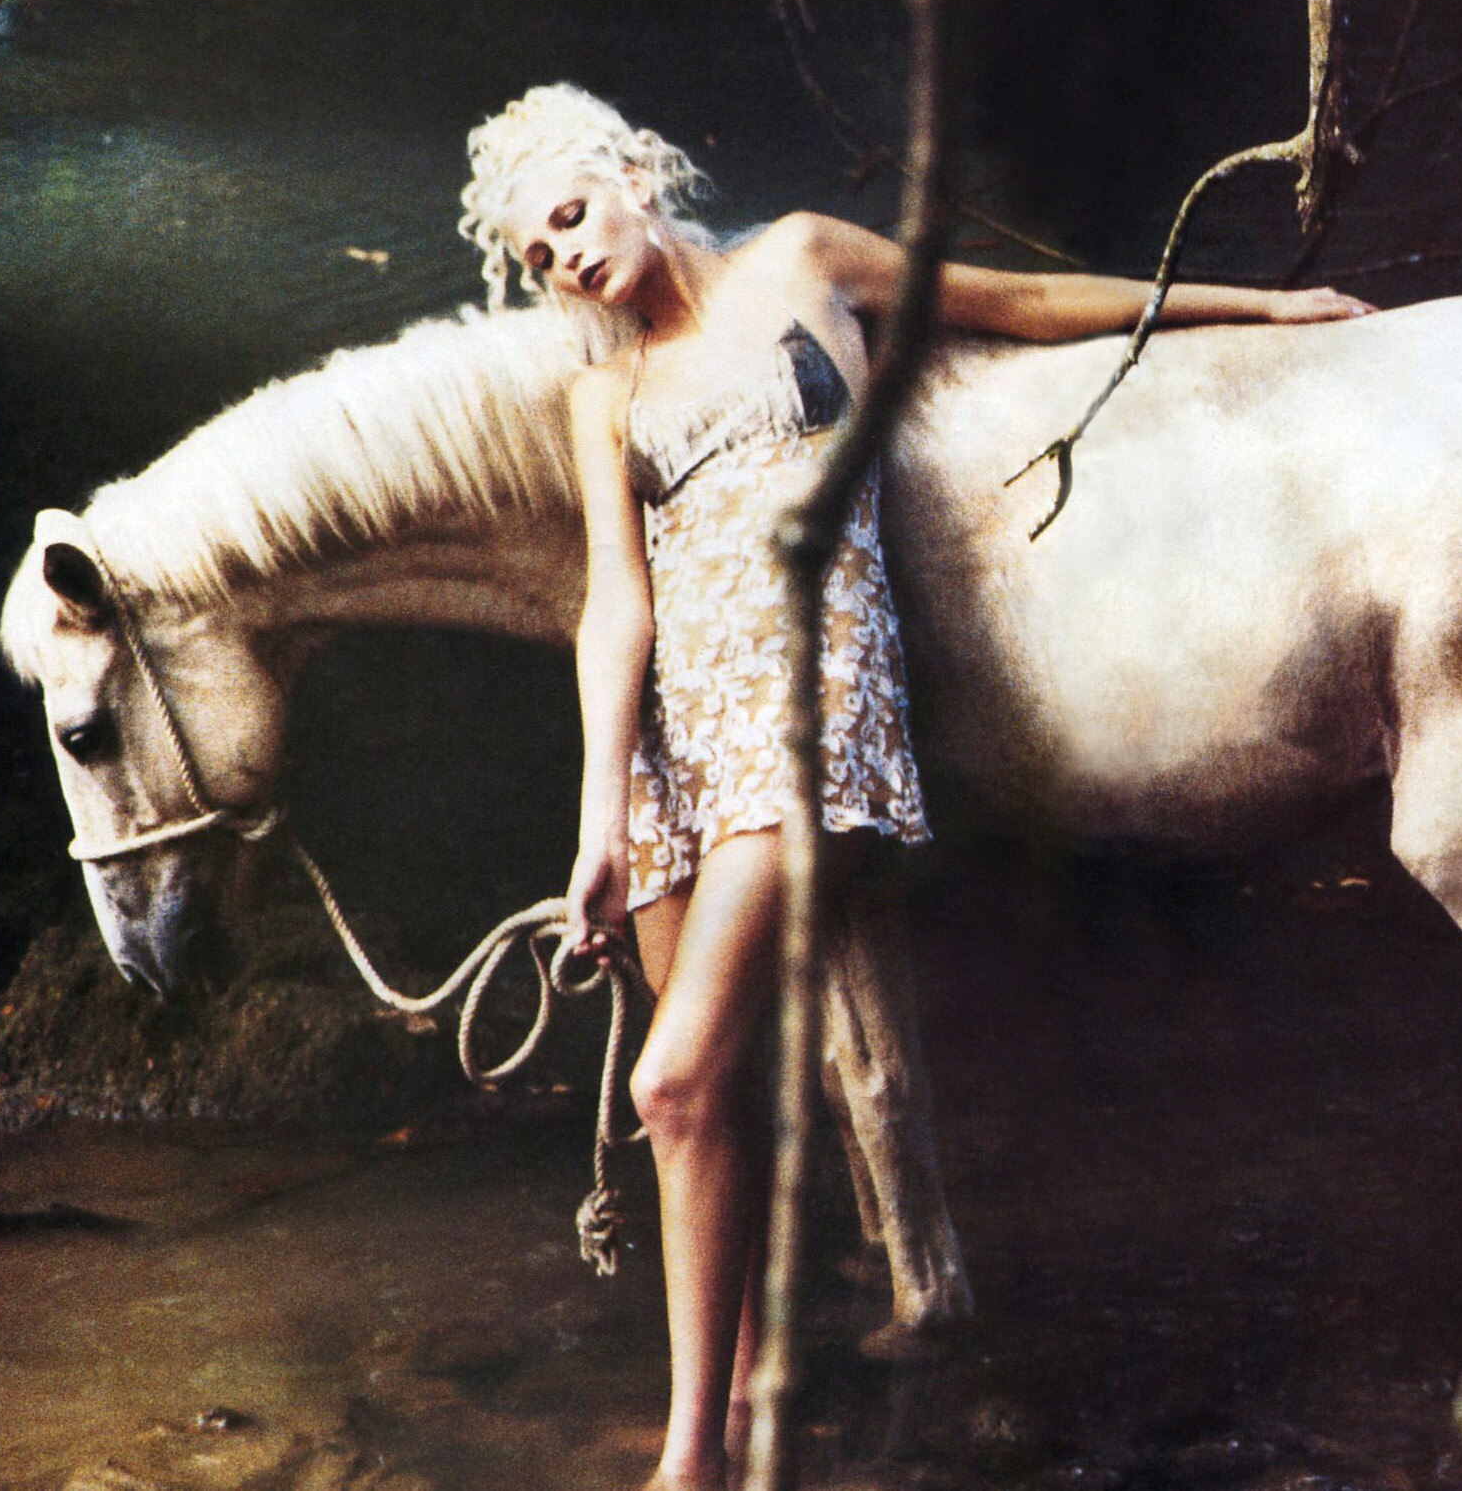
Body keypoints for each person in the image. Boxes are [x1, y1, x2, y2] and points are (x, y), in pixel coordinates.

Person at [458, 82, 1373, 1491]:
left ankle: (689, 1462)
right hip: (675, 749)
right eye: (538, 255)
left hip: (809, 704)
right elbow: (616, 608)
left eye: (571, 218)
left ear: (635, 176)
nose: (566, 258)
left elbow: (1019, 301)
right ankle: (738, 1413)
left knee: (669, 1075)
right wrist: (599, 824)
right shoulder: (605, 396)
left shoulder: (805, 259)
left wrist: (1259, 305)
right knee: (705, 1100)